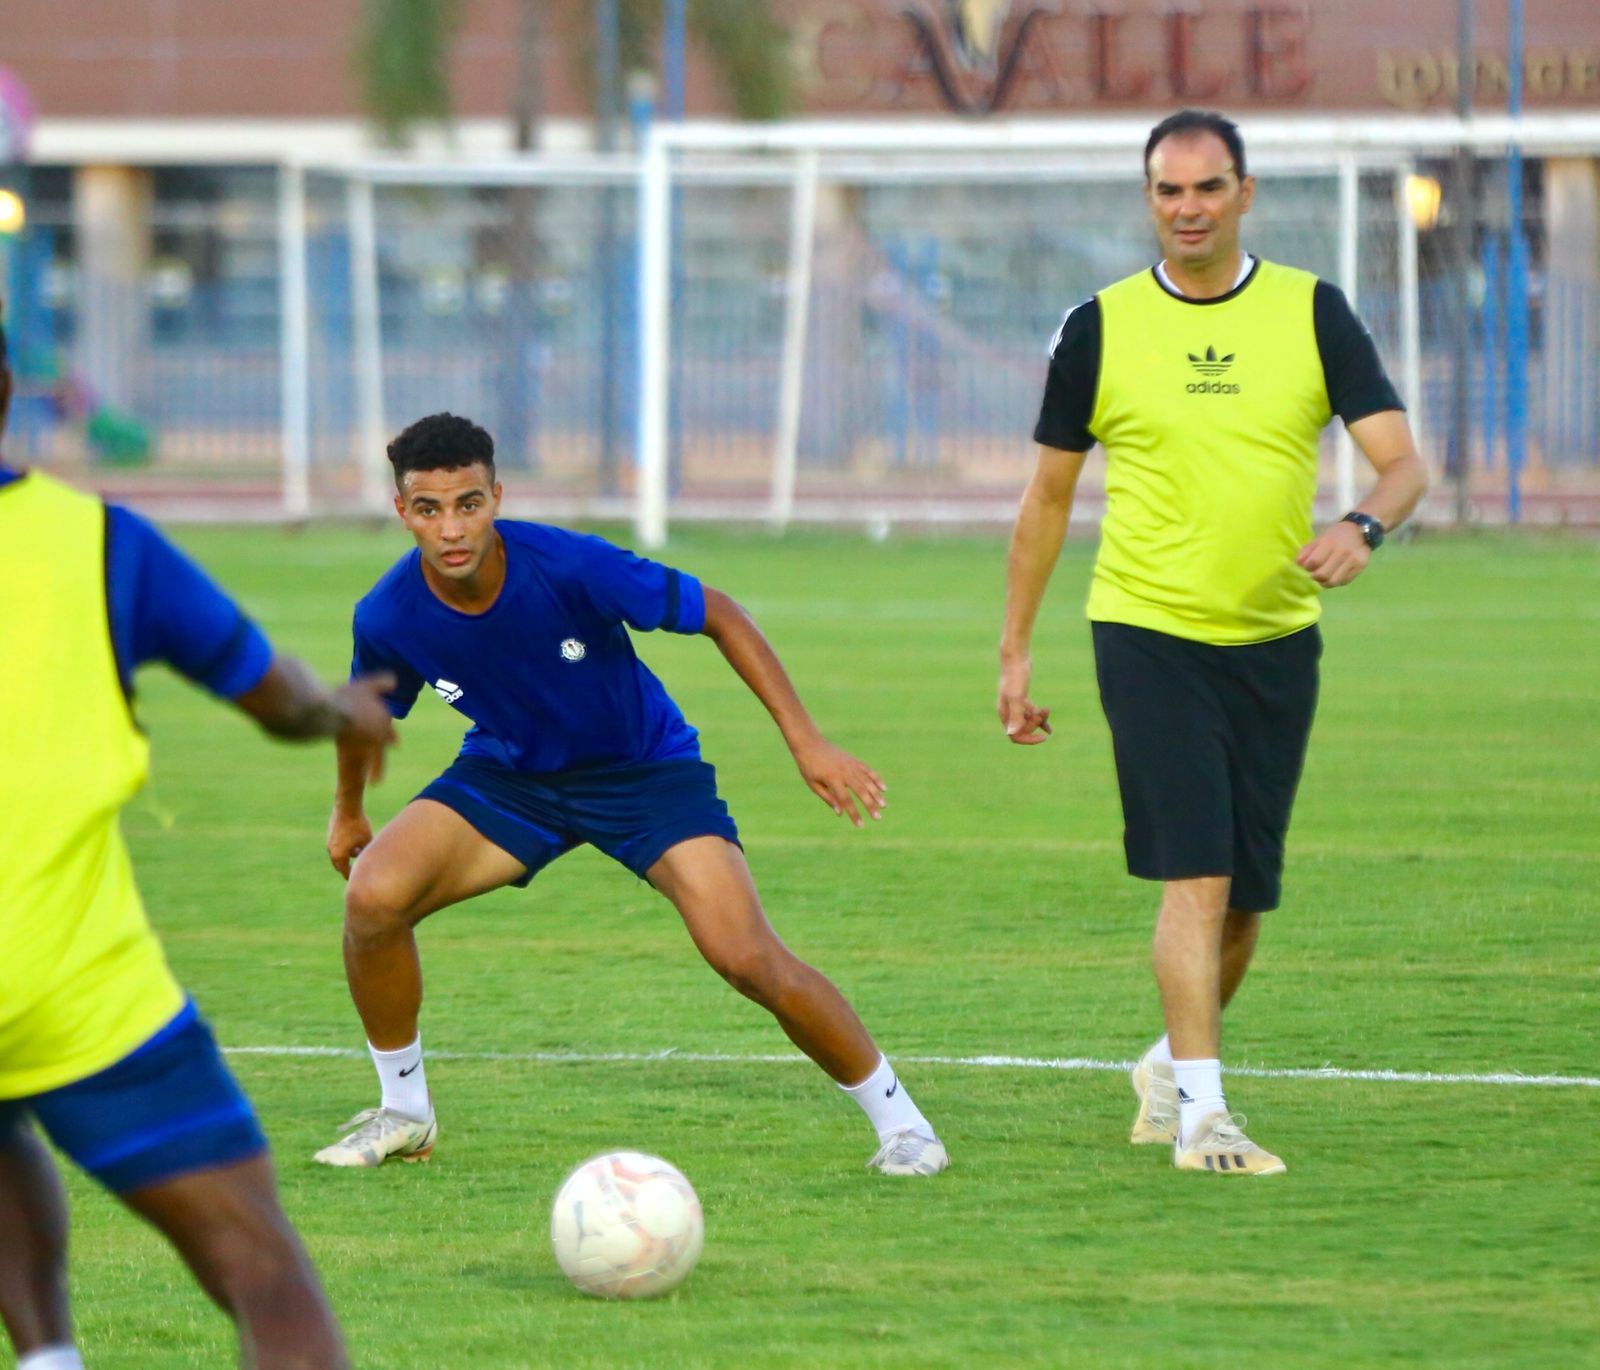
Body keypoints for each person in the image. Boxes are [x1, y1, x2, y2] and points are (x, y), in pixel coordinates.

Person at [313, 412, 947, 1178]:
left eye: (469, 503)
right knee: (374, 897)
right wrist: (349, 810)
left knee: (744, 955)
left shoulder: (572, 566)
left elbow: (718, 612)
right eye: (429, 508)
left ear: (497, 497)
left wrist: (806, 742)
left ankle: (904, 1126)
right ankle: (405, 1115)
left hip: (644, 772)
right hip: (512, 777)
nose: (451, 527)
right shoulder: (386, 614)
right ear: (401, 511)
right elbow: (365, 715)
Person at [997, 109, 1429, 1176]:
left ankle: (1163, 1066)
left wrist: (1360, 525)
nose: (1185, 208)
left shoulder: (1313, 313)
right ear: (1148, 199)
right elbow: (1046, 498)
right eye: (1166, 190)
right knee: (1193, 875)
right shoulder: (1097, 326)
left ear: (1244, 193)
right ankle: (1202, 1117)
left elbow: (1403, 465)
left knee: (1243, 896)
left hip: (1276, 641)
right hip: (1146, 634)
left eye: (1205, 187)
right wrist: (1014, 648)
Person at [0, 322, 398, 1369]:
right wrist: (342, 709)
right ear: (9, 386)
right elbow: (276, 698)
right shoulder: (101, 546)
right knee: (262, 1269)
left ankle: (47, 1355)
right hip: (69, 985)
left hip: (56, 989)